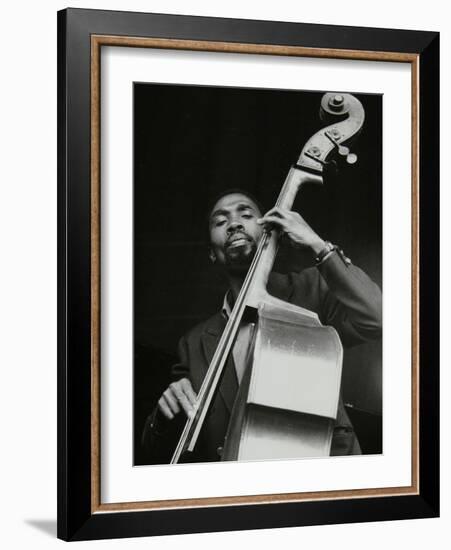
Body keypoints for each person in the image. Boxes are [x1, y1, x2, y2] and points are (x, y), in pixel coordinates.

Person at [141, 190, 382, 463]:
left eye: (246, 214)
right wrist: (162, 417)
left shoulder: (311, 289)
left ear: (270, 230)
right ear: (211, 254)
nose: (234, 223)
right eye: (220, 222)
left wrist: (319, 246)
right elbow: (158, 451)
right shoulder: (193, 342)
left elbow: (377, 318)